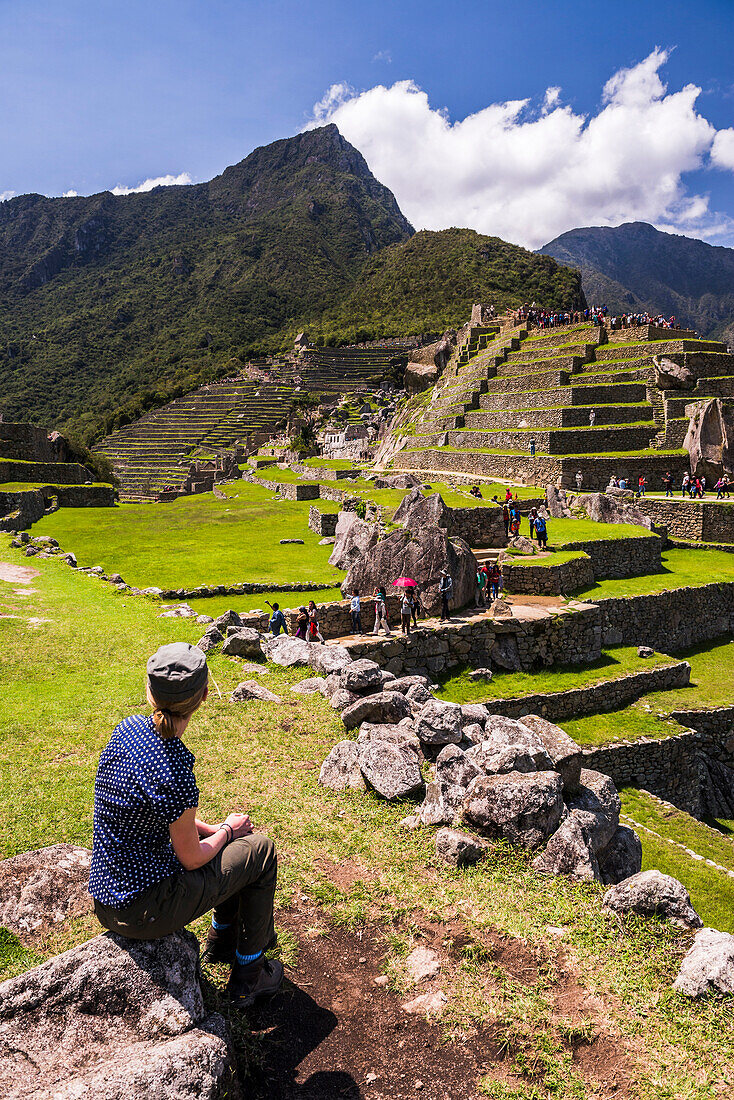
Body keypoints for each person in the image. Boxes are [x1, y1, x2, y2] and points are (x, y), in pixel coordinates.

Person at [89, 643, 282, 1008]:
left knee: (236, 846)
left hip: (107, 898)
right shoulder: (174, 765)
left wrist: (217, 830)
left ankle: (222, 941)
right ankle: (250, 975)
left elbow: (165, 812)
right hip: (145, 910)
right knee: (261, 850)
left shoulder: (127, 730)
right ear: (204, 695)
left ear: (149, 692)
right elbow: (192, 859)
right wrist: (226, 830)